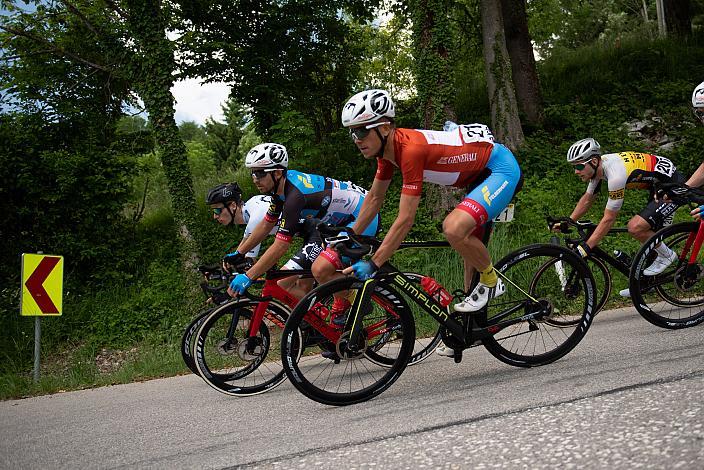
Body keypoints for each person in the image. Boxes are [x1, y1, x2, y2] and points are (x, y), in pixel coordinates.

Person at [339, 89, 522, 357]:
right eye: (352, 133)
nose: (357, 139)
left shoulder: (409, 150)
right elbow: (375, 198)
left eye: (362, 131)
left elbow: (406, 218)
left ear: (386, 127)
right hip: (477, 176)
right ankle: (469, 330)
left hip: (500, 168)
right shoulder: (387, 152)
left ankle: (493, 282)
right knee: (466, 248)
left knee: (454, 228)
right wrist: (349, 235)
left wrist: (375, 261)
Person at [226, 143, 380, 319]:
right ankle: (336, 313)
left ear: (277, 173)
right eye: (252, 173)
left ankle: (358, 299)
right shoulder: (280, 190)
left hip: (363, 216)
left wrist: (249, 276)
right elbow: (266, 225)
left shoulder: (294, 196)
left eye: (260, 173)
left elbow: (280, 246)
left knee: (321, 269)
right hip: (336, 225)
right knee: (287, 281)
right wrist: (240, 252)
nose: (254, 178)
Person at [558, 138, 685, 294]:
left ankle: (667, 256)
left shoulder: (615, 175)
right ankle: (645, 284)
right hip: (657, 184)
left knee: (636, 228)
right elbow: (587, 199)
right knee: (649, 236)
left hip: (672, 185)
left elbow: (609, 218)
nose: (576, 171)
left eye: (579, 166)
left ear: (595, 161)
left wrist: (586, 248)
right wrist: (569, 222)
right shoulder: (598, 168)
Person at [205, 182, 276, 262]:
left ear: (233, 205)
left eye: (217, 210)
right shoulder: (252, 205)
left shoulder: (254, 218)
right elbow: (245, 242)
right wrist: (229, 260)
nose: (215, 216)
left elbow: (249, 259)